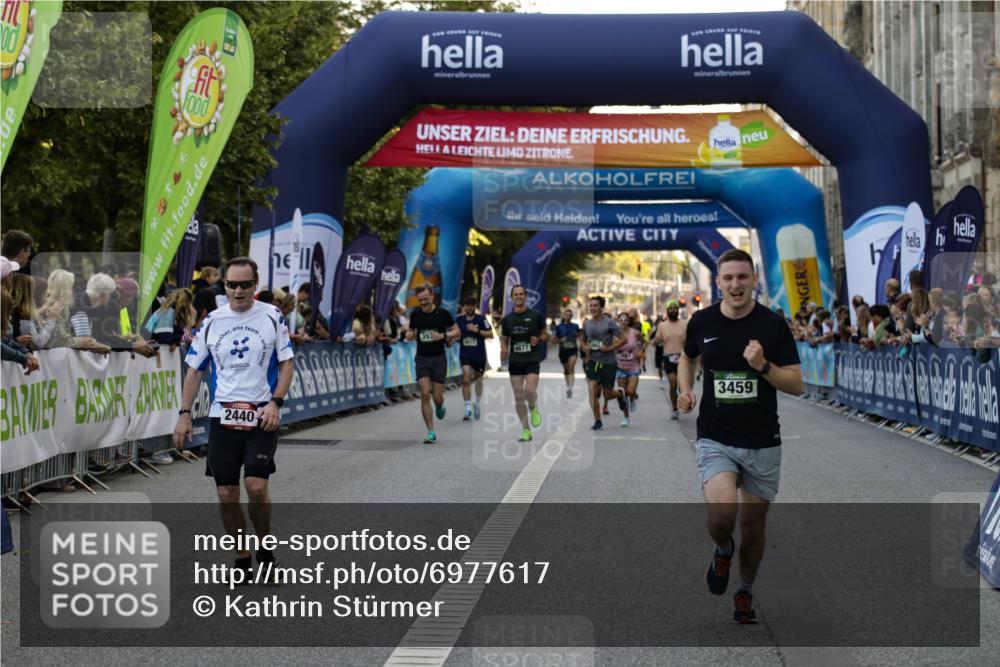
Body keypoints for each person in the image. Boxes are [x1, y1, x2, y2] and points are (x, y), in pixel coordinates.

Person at [677, 249, 802, 625]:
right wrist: (685, 390)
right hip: (716, 436)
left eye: (742, 277)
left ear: (754, 281)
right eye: (728, 278)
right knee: (721, 513)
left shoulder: (772, 325)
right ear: (718, 282)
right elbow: (688, 356)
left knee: (753, 526)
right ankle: (721, 548)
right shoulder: (702, 321)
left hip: (762, 439)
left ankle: (745, 590)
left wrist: (762, 365)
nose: (735, 285)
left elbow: (796, 384)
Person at [173, 257, 294, 581]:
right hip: (223, 415)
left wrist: (275, 403)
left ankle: (265, 546)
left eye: (244, 285)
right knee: (226, 493)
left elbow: (286, 364)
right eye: (231, 284)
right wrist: (184, 416)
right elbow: (194, 371)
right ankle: (242, 555)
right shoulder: (212, 321)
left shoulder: (271, 316)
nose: (238, 291)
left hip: (261, 414)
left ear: (255, 285)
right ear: (223, 285)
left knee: (255, 487)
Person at [403, 284, 459, 444]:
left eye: (426, 299)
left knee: (438, 397)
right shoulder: (416, 314)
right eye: (420, 300)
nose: (423, 303)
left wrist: (442, 335)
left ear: (432, 296)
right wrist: (409, 334)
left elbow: (457, 331)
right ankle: (430, 431)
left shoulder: (442, 313)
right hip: (422, 359)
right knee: (425, 393)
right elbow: (411, 332)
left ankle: (440, 406)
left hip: (439, 359)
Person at [500, 285, 547, 442]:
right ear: (512, 298)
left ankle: (533, 407)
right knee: (519, 397)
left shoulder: (535, 315)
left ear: (526, 297)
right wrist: (504, 349)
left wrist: (539, 339)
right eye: (516, 294)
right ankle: (526, 430)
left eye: (521, 294)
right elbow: (504, 339)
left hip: (532, 359)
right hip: (515, 362)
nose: (518, 296)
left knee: (529, 390)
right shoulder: (507, 319)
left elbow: (545, 333)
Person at [579, 296, 627, 431]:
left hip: (608, 362)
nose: (593, 308)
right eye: (591, 306)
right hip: (594, 361)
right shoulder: (587, 323)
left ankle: (619, 395)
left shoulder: (609, 323)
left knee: (607, 394)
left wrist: (610, 348)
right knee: (592, 389)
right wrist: (585, 347)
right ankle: (597, 420)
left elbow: (623, 339)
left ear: (601, 308)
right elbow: (582, 340)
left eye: (595, 306)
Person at [455, 296, 493, 421]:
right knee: (466, 379)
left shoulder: (481, 319)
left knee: (478, 380)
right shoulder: (459, 320)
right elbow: (455, 333)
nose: (469, 308)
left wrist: (476, 330)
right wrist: (451, 339)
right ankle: (467, 408)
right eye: (467, 305)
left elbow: (490, 334)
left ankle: (476, 403)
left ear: (475, 307)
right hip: (465, 354)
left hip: (479, 355)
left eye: (472, 305)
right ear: (465, 306)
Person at [651, 300, 687, 420]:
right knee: (672, 384)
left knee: (682, 387)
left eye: (675, 308)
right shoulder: (662, 326)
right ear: (667, 311)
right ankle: (675, 409)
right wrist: (654, 341)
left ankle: (683, 402)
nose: (673, 310)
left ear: (678, 310)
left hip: (682, 358)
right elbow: (656, 339)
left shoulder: (685, 324)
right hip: (668, 357)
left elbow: (691, 340)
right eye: (670, 309)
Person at [614, 311, 643, 426]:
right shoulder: (614, 334)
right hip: (620, 367)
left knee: (630, 391)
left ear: (629, 321)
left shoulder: (635, 333)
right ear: (618, 321)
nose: (623, 322)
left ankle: (633, 398)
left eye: (626, 320)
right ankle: (626, 417)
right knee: (623, 394)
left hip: (633, 366)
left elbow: (644, 342)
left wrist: (641, 351)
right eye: (621, 320)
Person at [552, 308, 580, 398]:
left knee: (571, 368)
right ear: (563, 316)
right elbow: (553, 340)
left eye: (570, 315)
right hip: (563, 351)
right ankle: (568, 385)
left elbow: (580, 337)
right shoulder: (559, 327)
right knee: (566, 370)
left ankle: (570, 388)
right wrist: (560, 340)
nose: (568, 316)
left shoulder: (575, 326)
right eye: (566, 315)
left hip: (573, 350)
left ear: (572, 316)